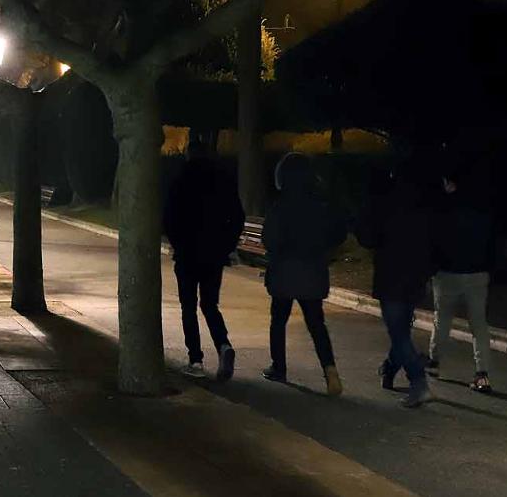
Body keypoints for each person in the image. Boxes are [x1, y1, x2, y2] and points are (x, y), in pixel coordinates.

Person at [260, 153, 347, 396]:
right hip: (312, 272)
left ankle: (279, 367)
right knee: (316, 324)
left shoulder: (280, 206)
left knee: (278, 321)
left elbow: (270, 240)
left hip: (285, 273)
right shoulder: (319, 206)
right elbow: (337, 233)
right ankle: (330, 371)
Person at [163, 140, 244, 380]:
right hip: (214, 254)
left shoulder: (181, 180)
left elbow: (169, 217)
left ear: (188, 155)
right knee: (209, 305)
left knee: (188, 306)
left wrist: (178, 243)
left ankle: (196, 359)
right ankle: (223, 345)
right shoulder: (222, 180)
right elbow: (237, 216)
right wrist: (226, 246)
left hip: (187, 253)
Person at [358, 161, 437, 408]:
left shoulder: (385, 203)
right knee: (401, 330)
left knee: (399, 333)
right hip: (414, 278)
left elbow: (368, 237)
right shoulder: (425, 206)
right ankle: (390, 368)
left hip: (392, 277)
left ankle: (418, 381)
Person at [428, 166, 495, 393]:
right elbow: (492, 243)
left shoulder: (443, 209)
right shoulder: (482, 209)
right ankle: (482, 373)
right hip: (477, 273)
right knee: (479, 324)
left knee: (442, 319)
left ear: (449, 183)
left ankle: (435, 362)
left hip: (448, 272)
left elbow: (435, 241)